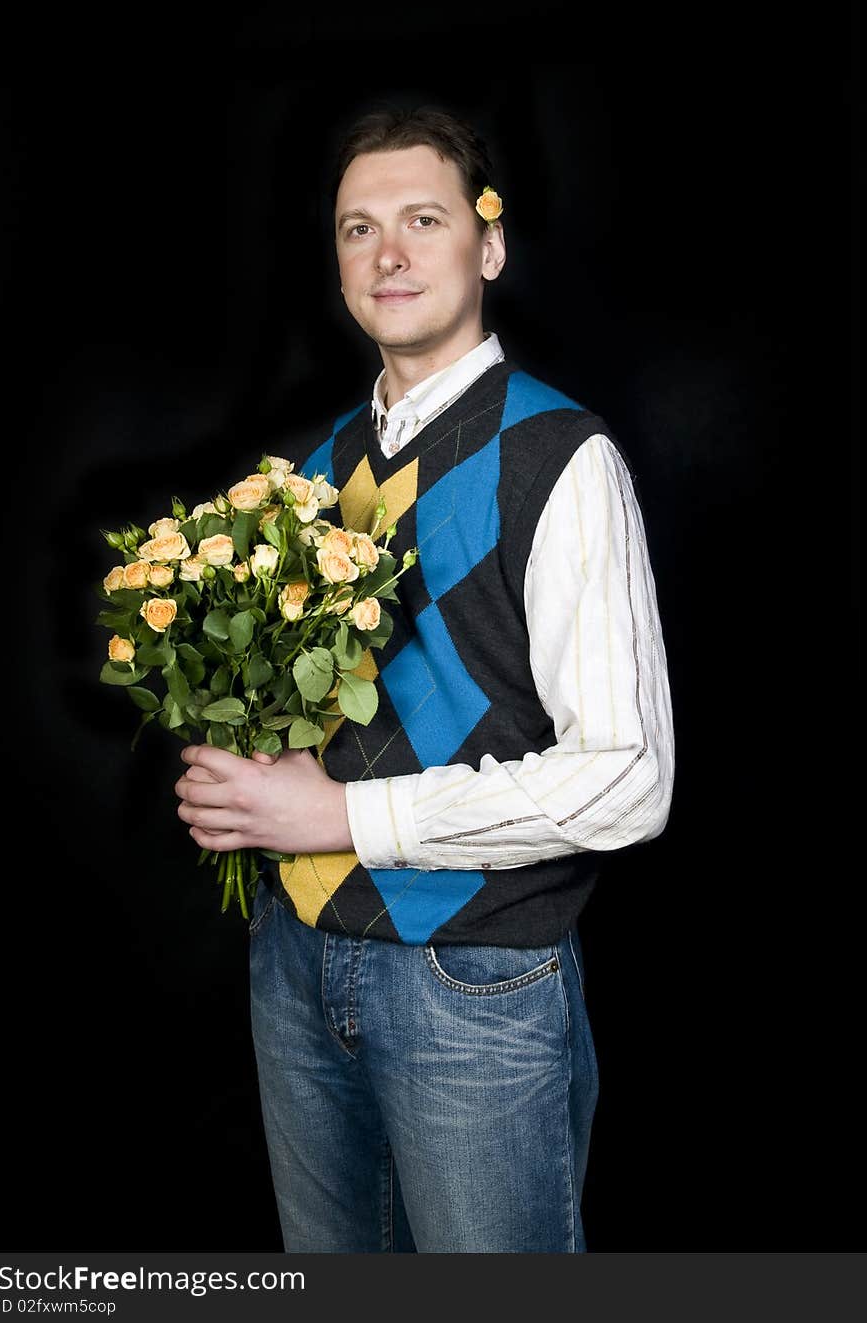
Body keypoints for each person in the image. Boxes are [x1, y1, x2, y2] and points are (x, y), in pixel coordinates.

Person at [174, 105, 675, 1253]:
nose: (387, 252)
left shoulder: (563, 456)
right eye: (359, 227)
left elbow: (629, 780)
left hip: (472, 978)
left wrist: (338, 812)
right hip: (296, 963)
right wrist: (240, 770)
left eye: (422, 219)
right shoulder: (318, 466)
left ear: (487, 249)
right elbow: (320, 705)